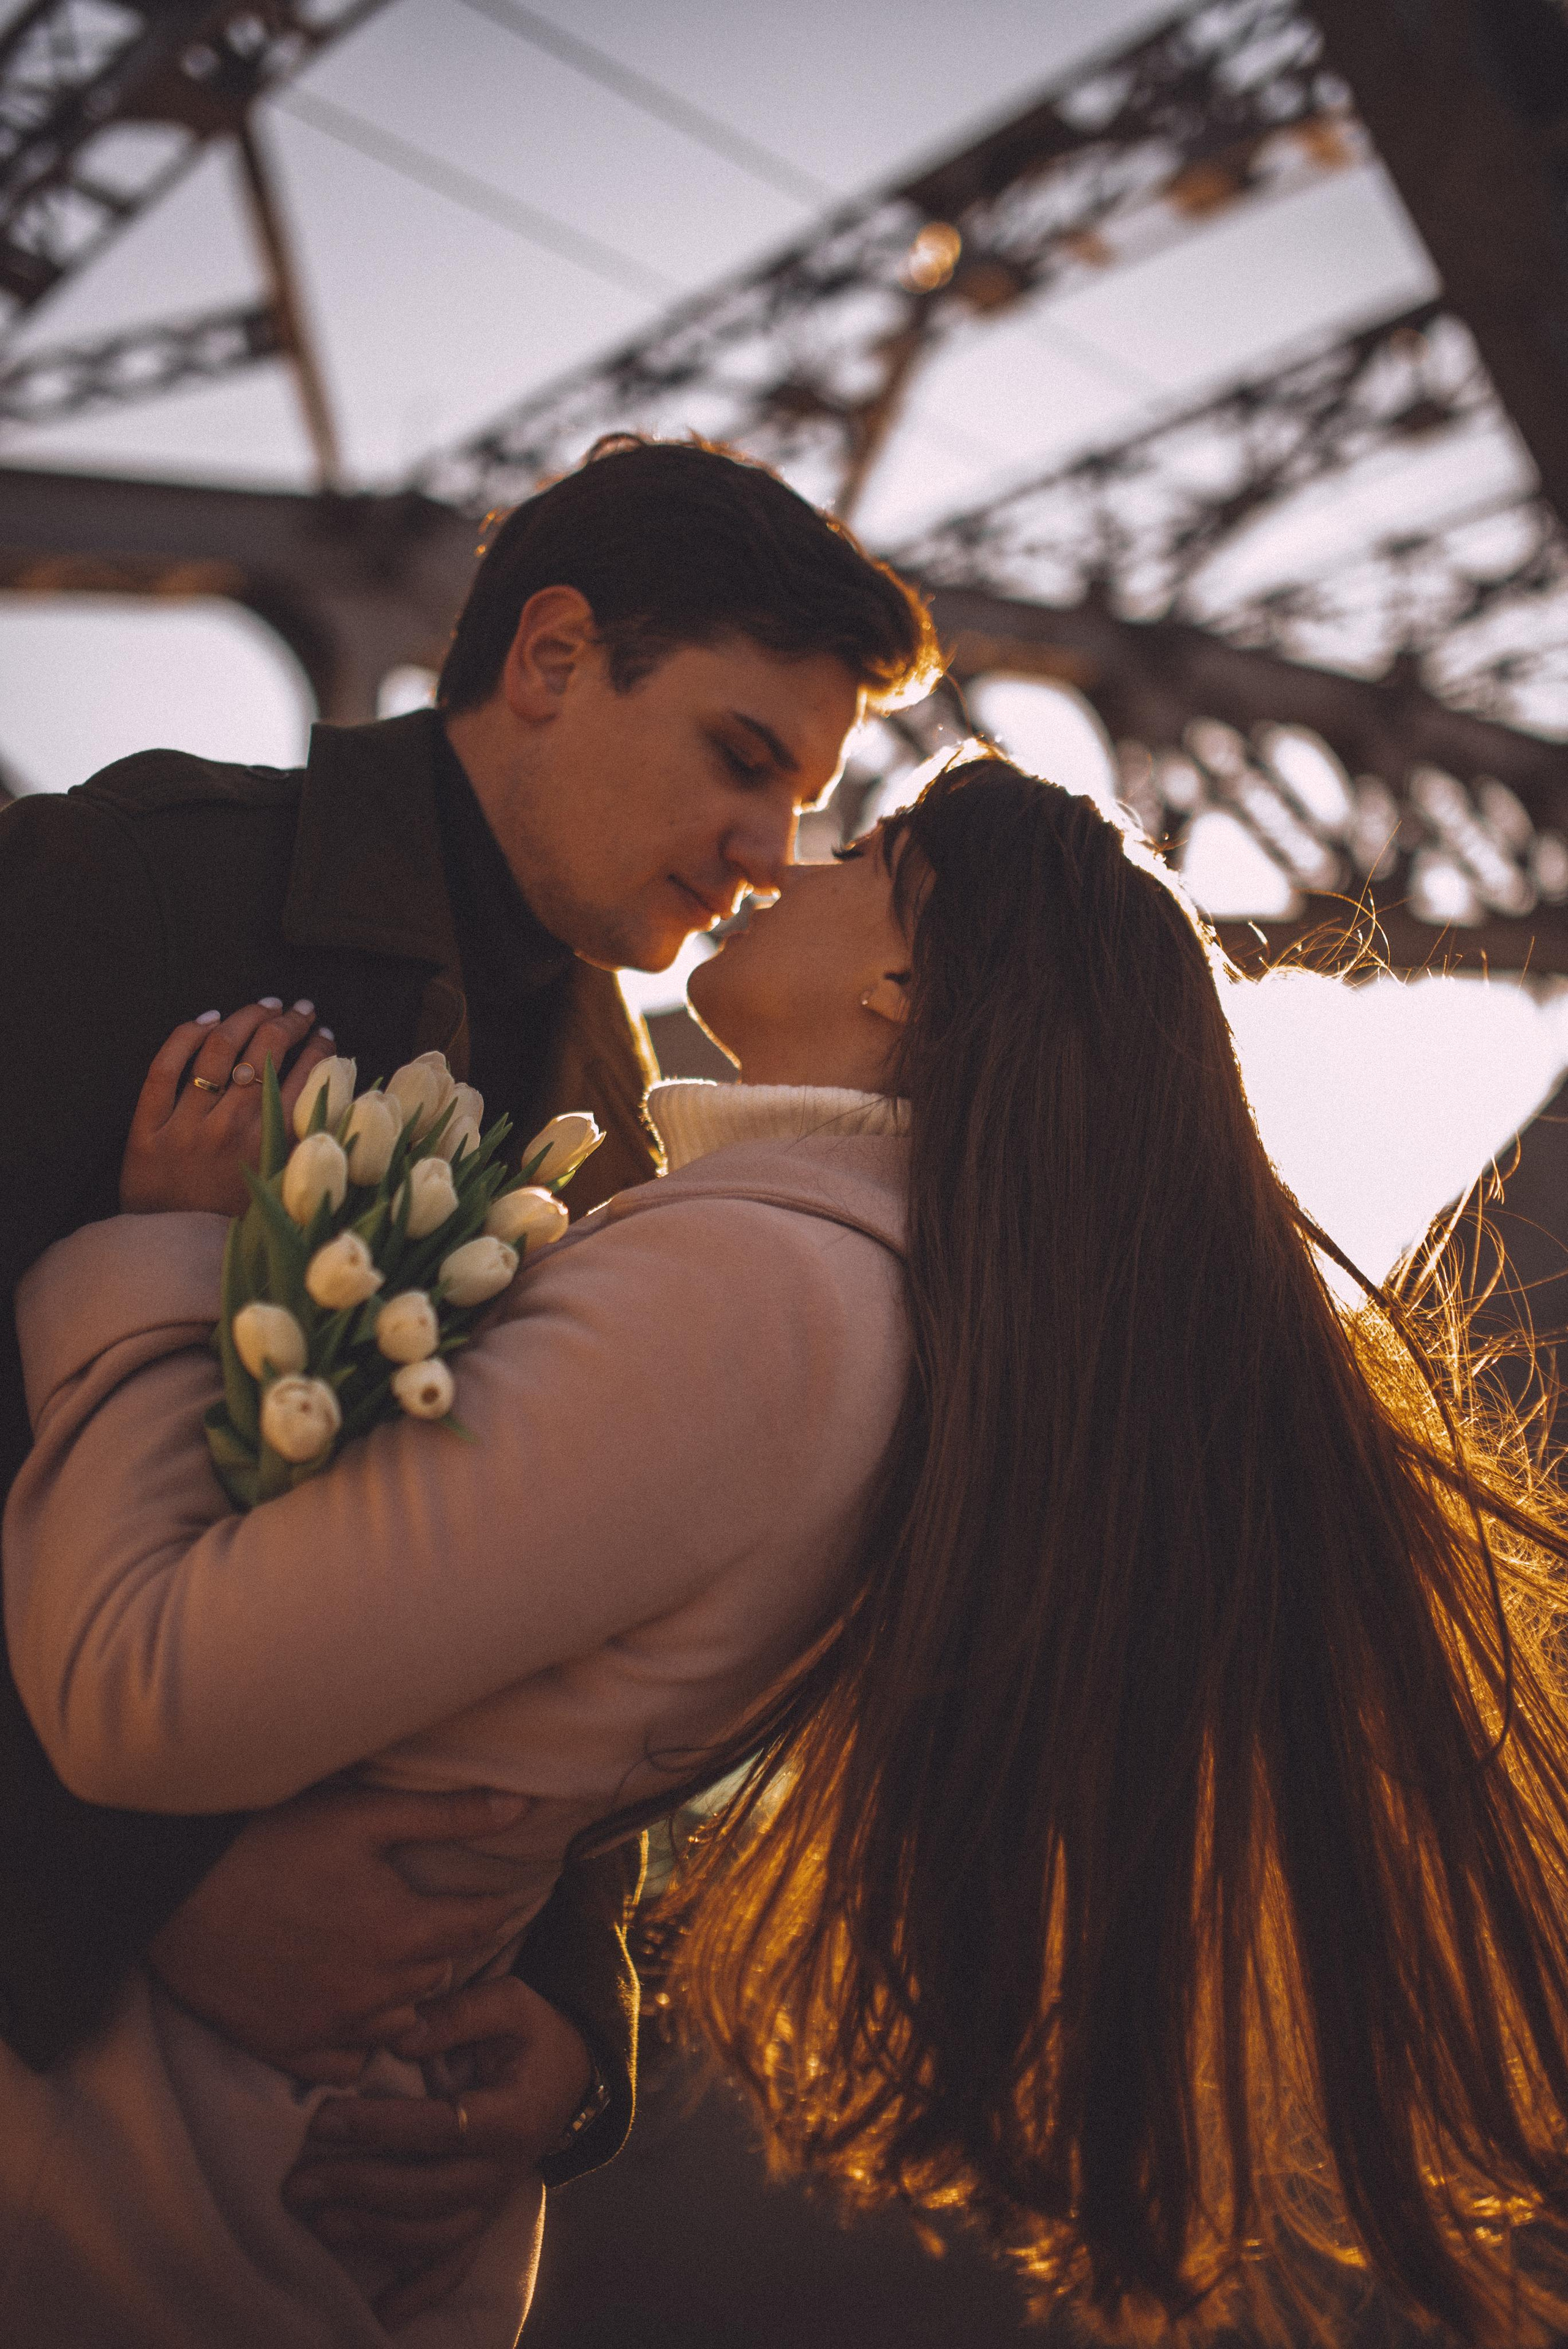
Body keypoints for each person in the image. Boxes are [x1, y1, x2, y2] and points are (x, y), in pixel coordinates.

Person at [14, 755, 1568, 2345]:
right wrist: (560, 1987)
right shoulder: (842, 1289)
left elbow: (137, 1684)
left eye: (869, 848)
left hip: (150, 2180)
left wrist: (161, 1255)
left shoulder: (759, 1299)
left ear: (904, 976)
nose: (786, 857)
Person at [0, 431, 935, 2311]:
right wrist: (131, 1894)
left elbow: (559, 1640)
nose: (771, 858)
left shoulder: (639, 1135)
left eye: (809, 802)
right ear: (554, 657)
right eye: (744, 762)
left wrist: (575, 2028)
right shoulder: (123, 894)